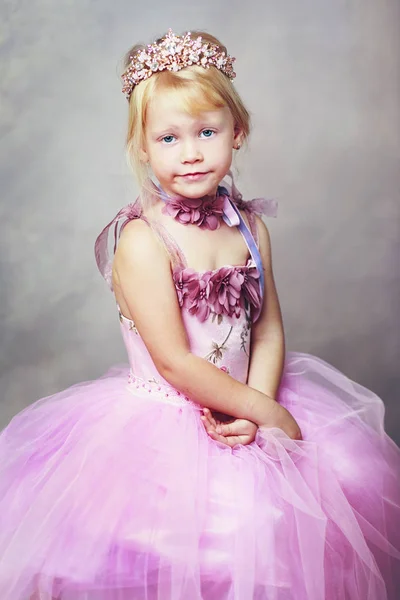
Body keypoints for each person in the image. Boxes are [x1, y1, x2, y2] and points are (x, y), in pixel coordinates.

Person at [0, 28, 399, 600]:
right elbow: (175, 362)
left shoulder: (249, 225)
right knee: (176, 561)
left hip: (248, 409)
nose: (190, 152)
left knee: (274, 547)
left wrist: (261, 415)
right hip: (165, 430)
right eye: (168, 138)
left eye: (207, 132)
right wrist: (263, 409)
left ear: (238, 132)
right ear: (141, 146)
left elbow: (266, 326)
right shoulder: (143, 241)